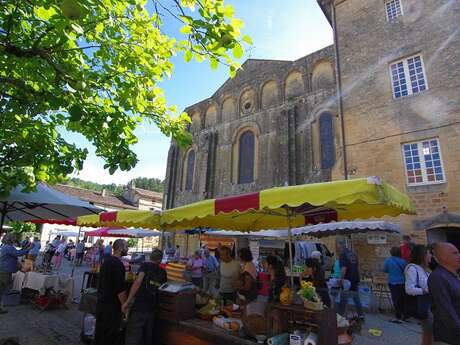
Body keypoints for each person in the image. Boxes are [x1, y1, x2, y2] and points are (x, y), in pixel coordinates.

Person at [123, 248, 167, 345]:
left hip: (139, 307)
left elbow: (138, 282)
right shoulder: (163, 272)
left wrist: (127, 301)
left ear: (150, 257)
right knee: (146, 338)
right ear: (160, 260)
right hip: (152, 309)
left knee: (133, 337)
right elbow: (162, 289)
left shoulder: (145, 266)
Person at [94, 239, 128, 345]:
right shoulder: (118, 265)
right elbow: (120, 289)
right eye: (126, 246)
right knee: (109, 336)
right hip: (111, 307)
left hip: (101, 303)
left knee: (99, 334)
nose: (127, 248)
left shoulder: (106, 261)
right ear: (120, 248)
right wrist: (124, 304)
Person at [428, 243, 460, 345]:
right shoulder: (438, 277)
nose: (459, 255)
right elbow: (446, 311)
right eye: (455, 253)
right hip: (449, 337)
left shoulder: (452, 275)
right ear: (443, 256)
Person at [405, 245, 432, 345]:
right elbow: (409, 289)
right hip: (423, 305)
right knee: (428, 333)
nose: (431, 256)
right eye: (429, 253)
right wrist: (425, 291)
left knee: (429, 333)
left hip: (430, 305)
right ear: (423, 255)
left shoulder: (425, 269)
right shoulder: (412, 269)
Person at [0, 234, 30, 314]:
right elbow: (18, 253)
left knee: (3, 289)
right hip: (4, 272)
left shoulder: (7, 246)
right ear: (10, 239)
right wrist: (28, 249)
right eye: (14, 238)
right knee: (2, 290)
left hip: (5, 271)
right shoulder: (8, 247)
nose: (15, 239)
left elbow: (16, 253)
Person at [337, 241, 363, 319]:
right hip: (355, 278)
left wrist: (340, 279)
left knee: (343, 299)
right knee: (356, 297)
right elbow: (357, 266)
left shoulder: (343, 255)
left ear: (341, 246)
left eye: (338, 246)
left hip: (347, 280)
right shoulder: (353, 254)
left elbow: (343, 268)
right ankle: (360, 314)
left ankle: (340, 316)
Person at [383, 246, 407, 323]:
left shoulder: (388, 260)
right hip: (402, 282)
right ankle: (404, 314)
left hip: (393, 282)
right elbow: (406, 271)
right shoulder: (403, 261)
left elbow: (385, 270)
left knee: (395, 299)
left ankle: (398, 316)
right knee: (402, 299)